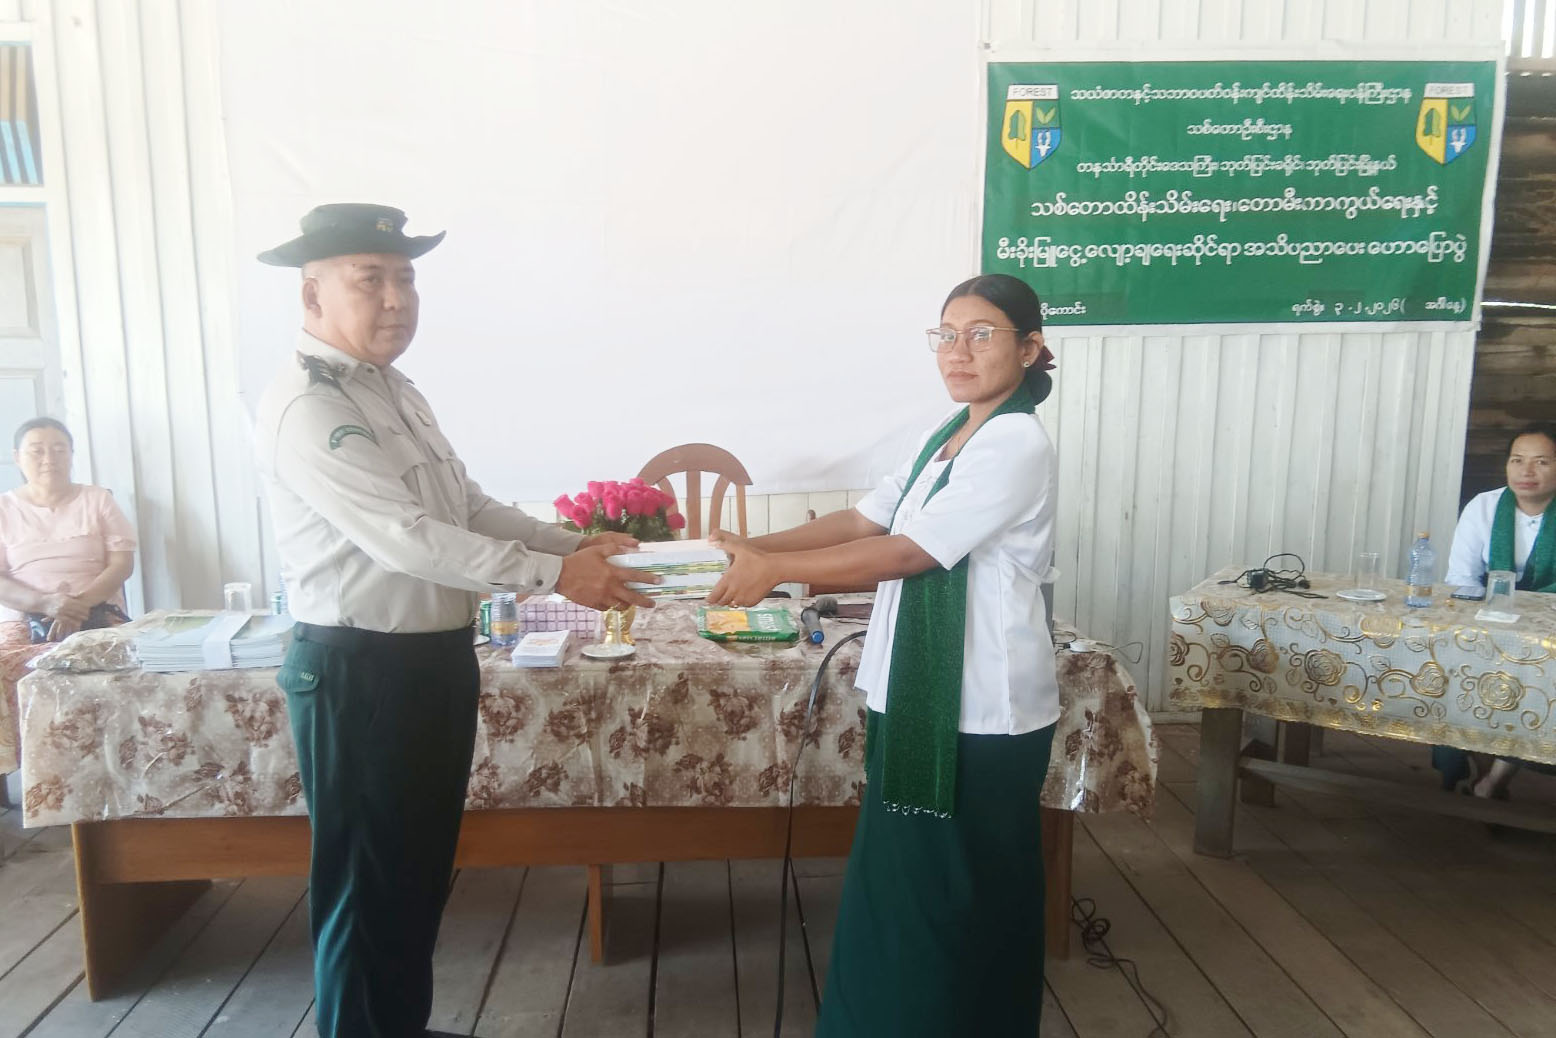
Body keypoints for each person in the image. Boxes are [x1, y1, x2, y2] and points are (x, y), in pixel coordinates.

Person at [253, 203, 656, 1038]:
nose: (396, 298)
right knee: (366, 891)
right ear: (312, 294)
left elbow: (465, 507)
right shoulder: (310, 406)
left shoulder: (394, 390)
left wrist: (571, 542)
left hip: (430, 663)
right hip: (362, 672)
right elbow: (406, 539)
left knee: (413, 875)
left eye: (405, 279)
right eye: (371, 279)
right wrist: (558, 574)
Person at [706, 273, 1059, 1036]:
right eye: (947, 335)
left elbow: (909, 552)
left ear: (1030, 348)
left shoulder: (1016, 442)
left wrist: (776, 570)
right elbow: (866, 520)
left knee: (962, 894)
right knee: (904, 889)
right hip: (919, 695)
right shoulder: (949, 435)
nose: (958, 351)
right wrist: (755, 546)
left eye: (981, 335)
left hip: (982, 710)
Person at [0, 417, 136, 775]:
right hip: (25, 617)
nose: (49, 458)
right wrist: (47, 603)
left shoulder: (97, 500)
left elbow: (121, 564)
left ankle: (114, 764)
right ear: (17, 457)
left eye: (59, 449)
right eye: (37, 450)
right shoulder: (4, 509)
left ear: (72, 454)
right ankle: (34, 769)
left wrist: (78, 605)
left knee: (124, 662)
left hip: (97, 611)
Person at [1436, 422, 1556, 799]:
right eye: (1517, 460)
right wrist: (1496, 618)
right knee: (1460, 668)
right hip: (1489, 620)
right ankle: (1482, 771)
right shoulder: (1484, 506)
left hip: (1551, 631)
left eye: (1542, 462)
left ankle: (1493, 782)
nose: (1527, 471)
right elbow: (1460, 578)